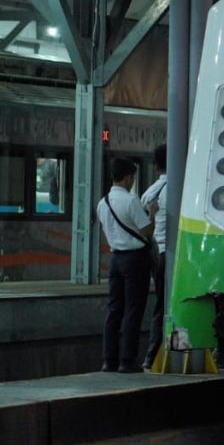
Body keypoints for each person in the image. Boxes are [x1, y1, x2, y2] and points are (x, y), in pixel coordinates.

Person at [96, 158, 158, 373]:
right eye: (132, 178)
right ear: (128, 178)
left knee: (114, 310)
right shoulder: (131, 201)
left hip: (115, 260)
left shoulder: (103, 203)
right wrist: (152, 213)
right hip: (135, 259)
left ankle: (109, 360)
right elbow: (147, 230)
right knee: (133, 309)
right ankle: (127, 360)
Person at [140, 145, 169, 369]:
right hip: (172, 254)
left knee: (159, 304)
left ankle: (152, 355)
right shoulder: (178, 187)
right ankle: (161, 352)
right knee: (168, 304)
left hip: (156, 253)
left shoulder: (149, 192)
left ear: (156, 166)